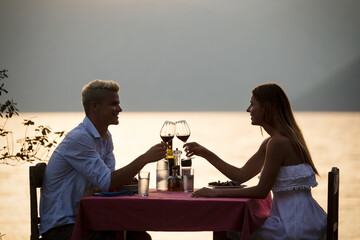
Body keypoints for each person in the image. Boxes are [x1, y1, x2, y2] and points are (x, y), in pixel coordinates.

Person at [184, 83, 327, 239]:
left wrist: (215, 193)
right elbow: (240, 175)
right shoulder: (274, 142)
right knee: (228, 225)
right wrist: (205, 153)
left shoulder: (277, 143)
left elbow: (261, 191)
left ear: (267, 108)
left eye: (252, 105)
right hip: (300, 218)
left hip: (293, 225)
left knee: (225, 226)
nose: (248, 110)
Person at [39, 79, 167, 240]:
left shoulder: (105, 138)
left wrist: (101, 187)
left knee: (140, 237)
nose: (119, 109)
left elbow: (107, 184)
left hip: (88, 219)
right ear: (94, 106)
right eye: (113, 104)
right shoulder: (79, 139)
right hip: (62, 228)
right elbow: (108, 182)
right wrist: (145, 158)